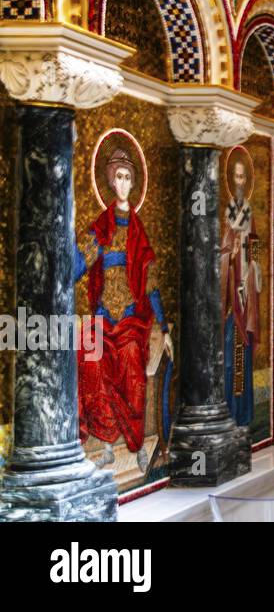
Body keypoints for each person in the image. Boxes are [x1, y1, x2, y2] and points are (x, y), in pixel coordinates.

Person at [76, 149, 172, 474]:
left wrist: (165, 326)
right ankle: (104, 447)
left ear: (134, 184)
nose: (123, 183)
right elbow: (77, 263)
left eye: (128, 177)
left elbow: (151, 284)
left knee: (131, 361)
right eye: (118, 176)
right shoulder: (100, 227)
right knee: (89, 355)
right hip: (104, 317)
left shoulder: (138, 232)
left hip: (131, 321)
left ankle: (135, 446)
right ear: (109, 180)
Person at [220, 153, 261, 427]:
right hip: (231, 294)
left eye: (242, 176)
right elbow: (222, 253)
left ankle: (243, 413)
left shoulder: (250, 214)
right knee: (231, 353)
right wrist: (232, 255)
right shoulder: (227, 216)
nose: (239, 181)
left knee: (242, 355)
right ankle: (230, 411)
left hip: (246, 294)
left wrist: (253, 271)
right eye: (235, 176)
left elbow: (256, 250)